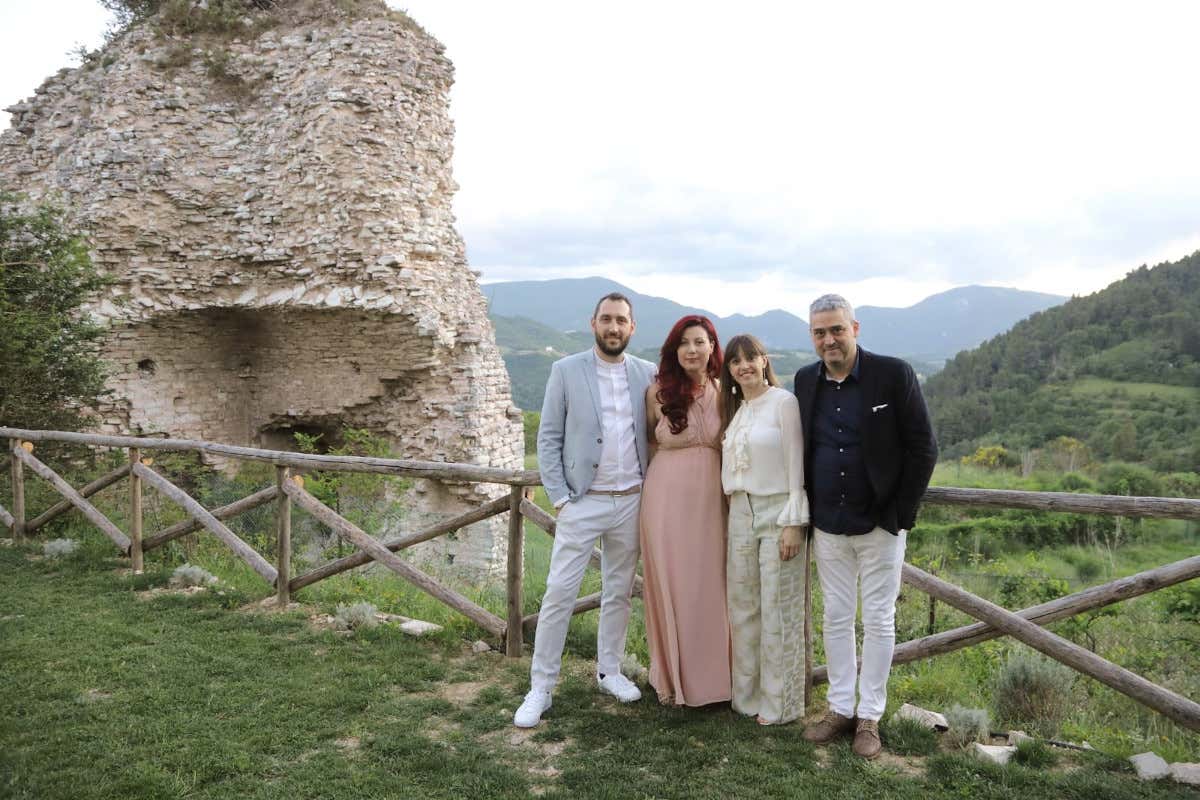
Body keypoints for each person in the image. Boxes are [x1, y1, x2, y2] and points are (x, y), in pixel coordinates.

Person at [794, 294, 938, 758]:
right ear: (812, 336)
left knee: (878, 619)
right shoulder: (804, 381)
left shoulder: (892, 374)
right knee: (836, 618)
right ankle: (839, 709)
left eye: (836, 329)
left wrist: (900, 514)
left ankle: (869, 716)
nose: (829, 339)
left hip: (880, 524)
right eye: (819, 332)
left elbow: (923, 447)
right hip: (829, 524)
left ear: (855, 329)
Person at [514, 292, 657, 728]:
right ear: (593, 323)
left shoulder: (647, 373)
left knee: (618, 592)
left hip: (633, 499)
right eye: (607, 319)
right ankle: (541, 686)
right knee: (560, 593)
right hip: (583, 501)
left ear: (632, 328)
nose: (614, 327)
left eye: (622, 321)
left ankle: (609, 670)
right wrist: (560, 497)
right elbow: (549, 437)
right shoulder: (565, 370)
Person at [640, 315, 731, 706]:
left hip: (713, 498)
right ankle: (672, 679)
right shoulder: (657, 392)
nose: (692, 350)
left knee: (711, 584)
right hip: (665, 498)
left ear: (712, 347)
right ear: (674, 351)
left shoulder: (727, 391)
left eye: (700, 342)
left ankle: (717, 681)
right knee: (671, 583)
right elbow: (649, 443)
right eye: (684, 343)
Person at [719, 334, 810, 725]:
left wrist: (794, 522)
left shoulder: (783, 403)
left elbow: (795, 465)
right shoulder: (738, 409)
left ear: (764, 360)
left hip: (777, 510)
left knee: (778, 608)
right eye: (736, 361)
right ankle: (747, 697)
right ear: (729, 370)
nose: (744, 366)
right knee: (743, 609)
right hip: (739, 510)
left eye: (750, 358)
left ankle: (781, 705)